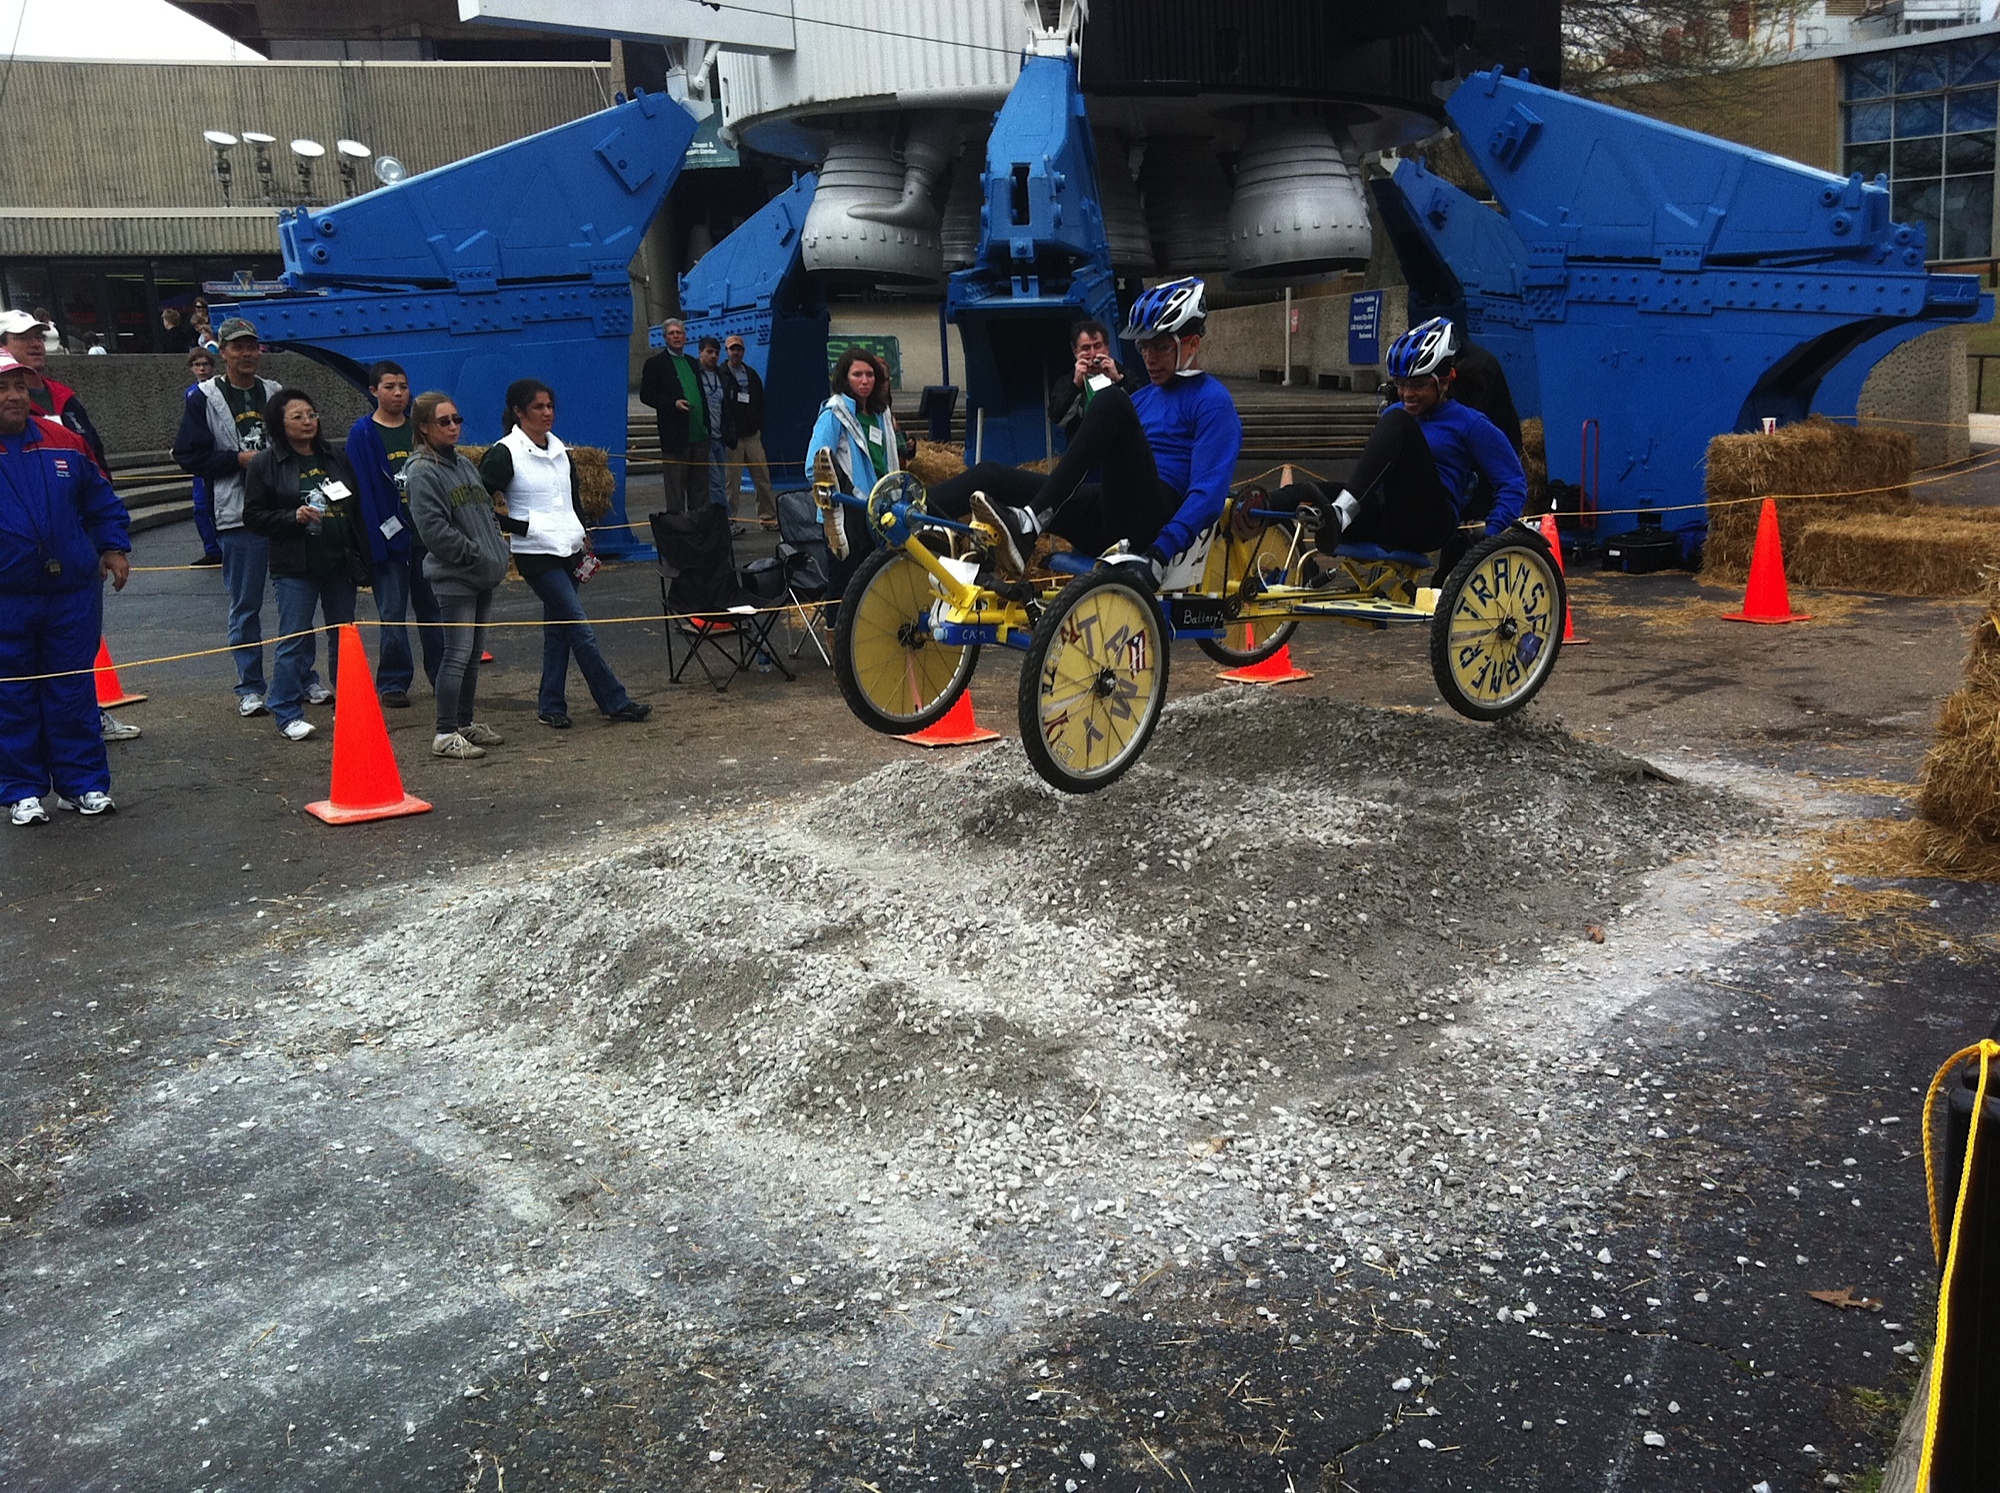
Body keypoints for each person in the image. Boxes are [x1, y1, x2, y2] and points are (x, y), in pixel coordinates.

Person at [940, 277, 1244, 588]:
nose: (1150, 357)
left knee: (1111, 398)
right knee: (991, 475)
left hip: (1154, 523)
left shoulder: (1213, 401)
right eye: (1143, 346)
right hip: (1109, 511)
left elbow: (1208, 495)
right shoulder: (1145, 397)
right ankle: (905, 522)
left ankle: (1031, 522)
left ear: (1193, 343)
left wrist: (1160, 553)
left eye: (1161, 346)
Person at [1266, 316, 1526, 562]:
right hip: (1387, 515)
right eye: (1400, 384)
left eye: (1418, 385)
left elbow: (1513, 482)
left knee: (1398, 420)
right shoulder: (1394, 412)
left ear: (1444, 382)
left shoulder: (1468, 422)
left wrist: (1491, 535)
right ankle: (1250, 509)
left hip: (1430, 524)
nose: (1406, 394)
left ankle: (1341, 512)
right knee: (1308, 492)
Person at [0, 350, 131, 824]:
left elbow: (100, 498)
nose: (14, 396)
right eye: (2, 388)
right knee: (11, 694)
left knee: (72, 689)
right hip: (6, 598)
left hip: (70, 591)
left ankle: (83, 785)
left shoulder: (64, 440)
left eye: (19, 386)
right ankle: (21, 790)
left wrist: (114, 546)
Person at [479, 378, 650, 731]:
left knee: (559, 631)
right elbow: (478, 501)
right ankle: (614, 700)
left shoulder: (561, 451)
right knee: (580, 628)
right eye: (539, 407)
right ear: (518, 412)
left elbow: (573, 499)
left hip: (569, 548)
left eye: (550, 406)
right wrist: (518, 526)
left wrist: (583, 530)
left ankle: (550, 703)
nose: (547, 413)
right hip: (536, 553)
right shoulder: (505, 452)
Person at [173, 317, 322, 718]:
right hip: (237, 513)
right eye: (237, 347)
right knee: (246, 604)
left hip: (284, 508)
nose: (246, 354)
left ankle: (302, 676)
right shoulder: (204, 397)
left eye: (252, 347)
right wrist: (237, 459)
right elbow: (187, 455)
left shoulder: (275, 392)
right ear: (222, 352)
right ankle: (250, 685)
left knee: (297, 601)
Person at [241, 389, 368, 742]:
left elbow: (354, 502)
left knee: (344, 635)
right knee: (294, 636)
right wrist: (291, 517)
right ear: (279, 424)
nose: (307, 421)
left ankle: (349, 704)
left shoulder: (333, 456)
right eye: (297, 416)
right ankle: (285, 709)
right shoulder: (266, 463)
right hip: (294, 565)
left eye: (311, 414)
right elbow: (252, 516)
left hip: (338, 560)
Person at [405, 391, 507, 760]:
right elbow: (434, 531)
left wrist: (496, 547)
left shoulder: (463, 464)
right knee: (456, 653)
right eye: (444, 421)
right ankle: (444, 731)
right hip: (455, 576)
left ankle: (464, 722)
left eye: (456, 420)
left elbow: (484, 512)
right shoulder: (421, 472)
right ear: (424, 427)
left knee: (473, 653)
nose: (453, 427)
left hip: (482, 572)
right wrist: (475, 554)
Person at [346, 360, 440, 709]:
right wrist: (375, 540)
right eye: (390, 387)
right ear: (374, 391)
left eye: (403, 386)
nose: (398, 393)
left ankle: (442, 674)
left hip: (426, 536)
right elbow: (363, 489)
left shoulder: (419, 429)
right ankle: (394, 680)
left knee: (432, 611)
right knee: (392, 612)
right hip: (388, 538)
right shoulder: (364, 433)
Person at [805, 348, 902, 565]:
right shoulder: (833, 415)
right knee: (843, 584)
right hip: (847, 516)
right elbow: (813, 467)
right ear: (845, 379)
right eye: (857, 375)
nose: (865, 380)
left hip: (880, 511)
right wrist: (843, 495)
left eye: (870, 374)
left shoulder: (881, 415)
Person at [0, 309, 109, 473]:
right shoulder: (9, 407)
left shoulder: (65, 397)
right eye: (23, 337)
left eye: (39, 337)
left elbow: (96, 456)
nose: (36, 344)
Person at [639, 319, 707, 513]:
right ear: (665, 338)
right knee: (676, 490)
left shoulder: (693, 362)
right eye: (672, 333)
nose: (676, 336)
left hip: (699, 436)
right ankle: (679, 531)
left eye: (679, 333)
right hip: (675, 438)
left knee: (700, 489)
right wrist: (672, 403)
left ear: (685, 337)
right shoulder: (655, 364)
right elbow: (646, 395)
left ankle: (699, 527)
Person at [718, 335, 775, 524]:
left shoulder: (751, 374)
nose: (736, 352)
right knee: (731, 482)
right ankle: (729, 520)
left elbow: (761, 401)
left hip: (752, 436)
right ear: (726, 352)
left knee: (763, 478)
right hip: (732, 438)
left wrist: (760, 426)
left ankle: (767, 517)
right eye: (732, 349)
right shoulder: (721, 375)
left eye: (739, 349)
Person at [183, 348, 222, 566]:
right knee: (201, 505)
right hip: (201, 454)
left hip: (216, 451)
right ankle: (212, 548)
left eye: (205, 364)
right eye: (197, 365)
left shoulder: (218, 390)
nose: (201, 369)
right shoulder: (191, 393)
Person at [697, 335, 732, 509]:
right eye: (709, 352)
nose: (713, 356)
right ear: (700, 353)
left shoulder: (722, 376)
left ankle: (718, 518)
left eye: (716, 353)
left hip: (720, 437)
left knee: (721, 479)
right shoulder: (696, 375)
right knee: (715, 482)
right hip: (706, 437)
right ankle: (724, 520)